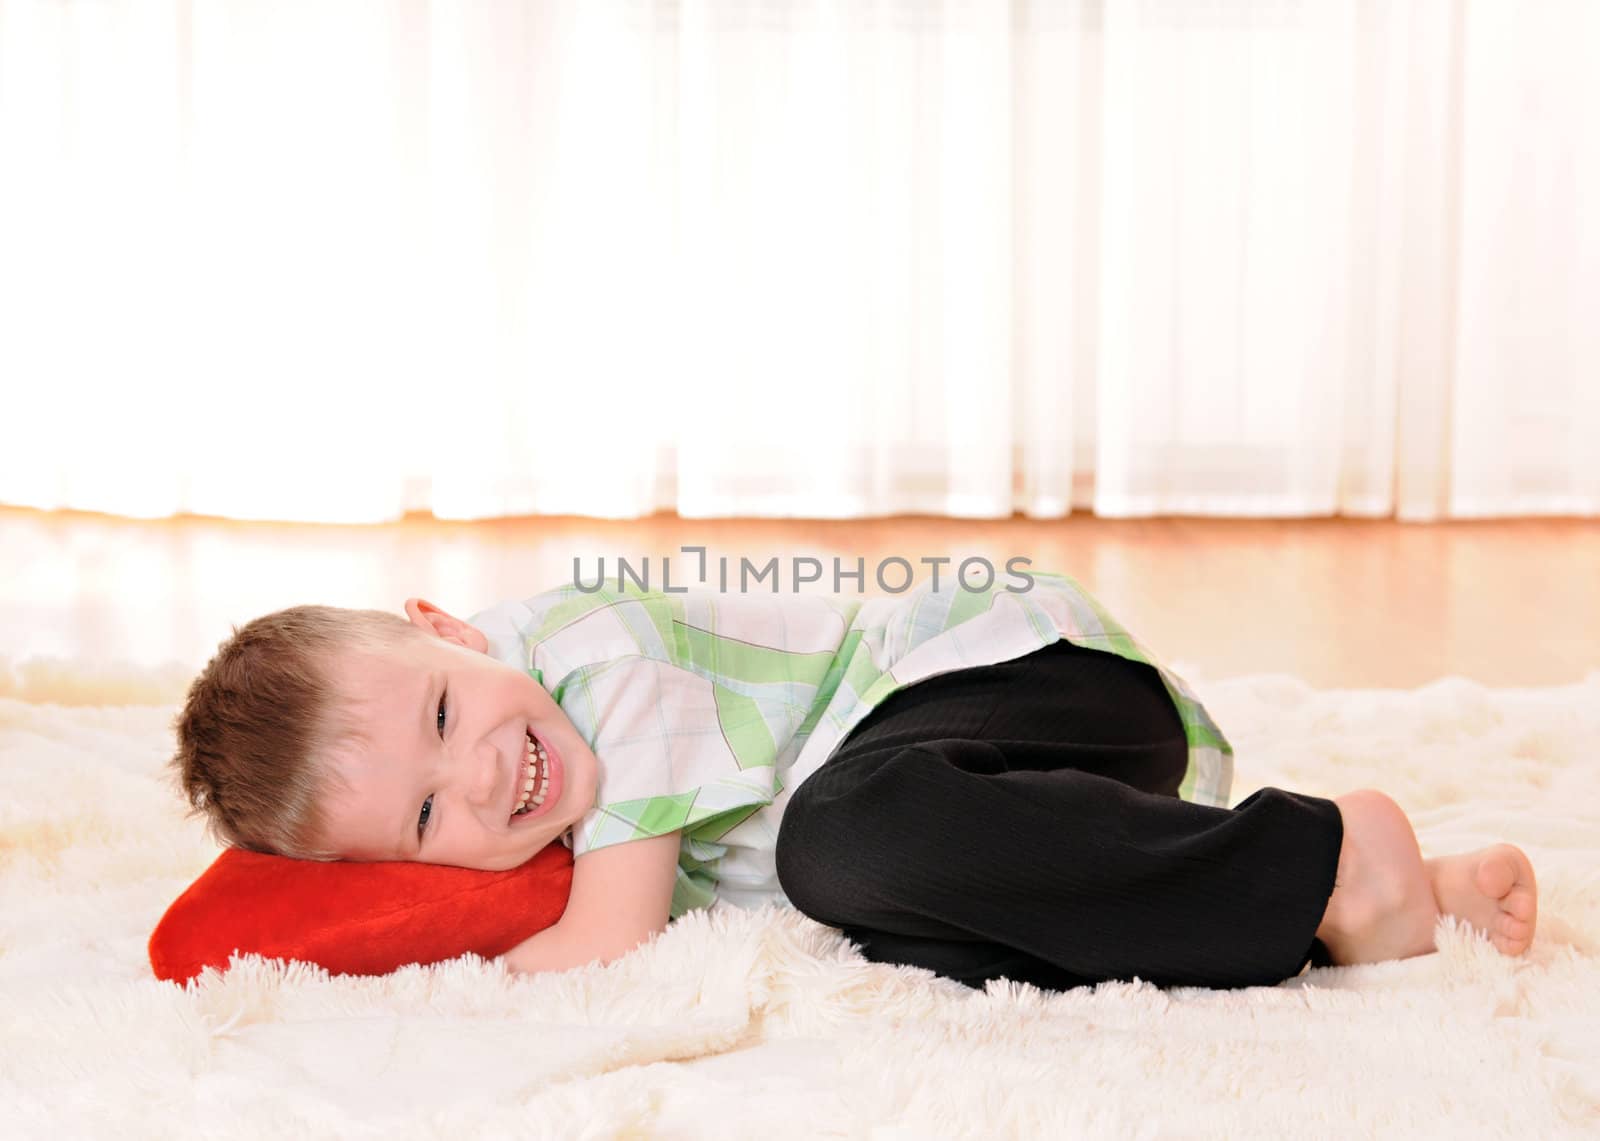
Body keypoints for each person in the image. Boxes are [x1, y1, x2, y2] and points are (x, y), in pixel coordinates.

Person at [168, 572, 1538, 990]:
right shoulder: (514, 770)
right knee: (900, 944)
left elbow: (611, 938)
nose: (482, 773)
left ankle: (1323, 852)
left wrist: (421, 983)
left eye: (449, 707)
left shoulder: (598, 650)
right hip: (1010, 806)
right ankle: (1332, 911)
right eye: (424, 816)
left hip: (1029, 681)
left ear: (449, 626)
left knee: (837, 843)